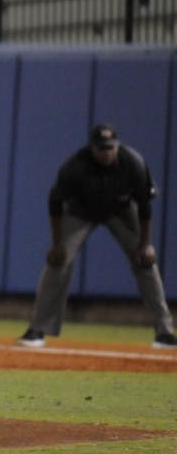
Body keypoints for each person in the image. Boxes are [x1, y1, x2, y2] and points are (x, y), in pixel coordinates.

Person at [17, 123, 176, 350]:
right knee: (57, 261)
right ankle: (37, 329)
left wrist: (146, 244)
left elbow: (144, 205)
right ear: (92, 148)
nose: (106, 152)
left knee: (145, 262)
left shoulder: (133, 162)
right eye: (101, 148)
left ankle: (165, 332)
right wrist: (57, 243)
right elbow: (55, 203)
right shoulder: (75, 166)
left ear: (117, 146)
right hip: (81, 212)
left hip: (121, 211)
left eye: (110, 147)